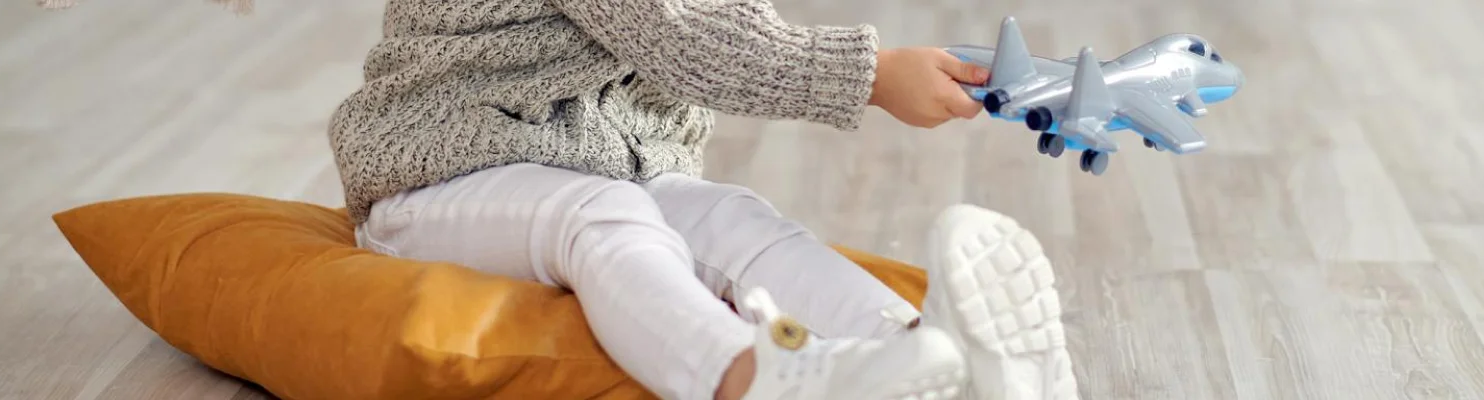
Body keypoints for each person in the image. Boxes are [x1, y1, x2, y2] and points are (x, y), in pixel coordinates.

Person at [327, 0, 1077, 399]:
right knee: (603, 219)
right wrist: (872, 76)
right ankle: (753, 380)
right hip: (440, 182)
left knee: (733, 218)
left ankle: (920, 350)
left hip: (596, 165)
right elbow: (688, 40)